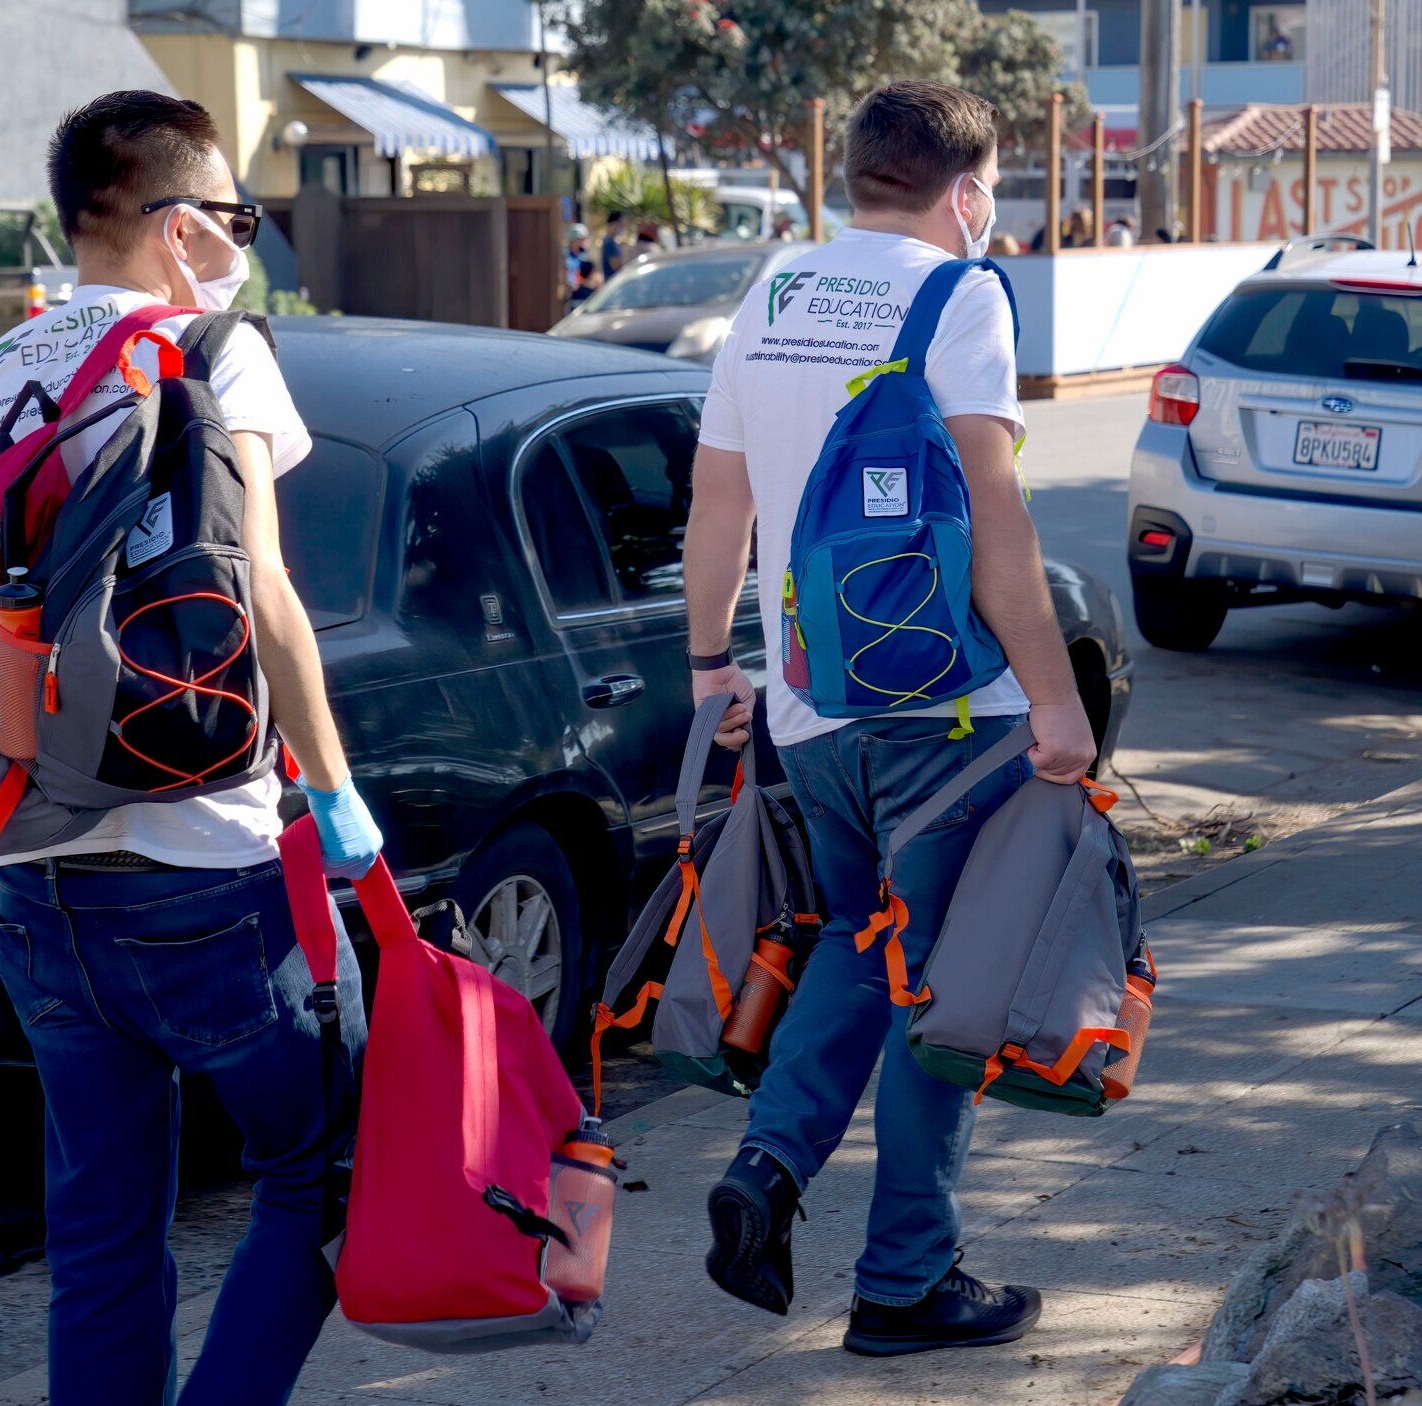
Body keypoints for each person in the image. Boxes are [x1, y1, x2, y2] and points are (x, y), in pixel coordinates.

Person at [0, 90, 381, 1405]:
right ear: (183, 225)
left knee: (100, 1232)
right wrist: (340, 793)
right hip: (201, 866)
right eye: (237, 217)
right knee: (324, 1168)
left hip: (30, 872)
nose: (243, 241)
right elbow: (262, 588)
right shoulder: (212, 345)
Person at [683, 78, 1095, 1357]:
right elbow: (999, 517)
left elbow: (716, 507)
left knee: (864, 939)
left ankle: (766, 1167)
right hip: (949, 714)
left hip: (811, 707)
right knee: (941, 982)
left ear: (853, 176)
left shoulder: (773, 294)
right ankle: (905, 1280)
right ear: (964, 192)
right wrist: (1055, 699)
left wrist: (711, 670)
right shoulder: (959, 295)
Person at [565, 221, 590, 288]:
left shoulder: (583, 257)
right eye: (582, 239)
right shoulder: (565, 257)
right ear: (574, 240)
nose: (584, 242)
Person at [602, 210, 627, 275]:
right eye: (620, 223)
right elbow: (615, 266)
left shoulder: (611, 241)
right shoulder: (609, 243)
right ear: (613, 223)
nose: (622, 226)